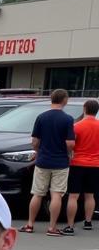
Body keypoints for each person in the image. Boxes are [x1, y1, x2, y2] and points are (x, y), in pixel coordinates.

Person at [21, 89, 75, 237]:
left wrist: (39, 151)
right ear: (64, 100)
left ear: (52, 99)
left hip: (43, 160)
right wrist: (69, 152)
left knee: (37, 193)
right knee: (56, 194)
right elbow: (70, 143)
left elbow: (34, 141)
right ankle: (52, 227)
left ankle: (30, 224)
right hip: (60, 162)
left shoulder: (41, 117)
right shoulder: (68, 119)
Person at [65, 97, 99, 232]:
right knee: (90, 195)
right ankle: (88, 221)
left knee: (73, 196)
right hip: (96, 164)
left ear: (84, 109)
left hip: (78, 163)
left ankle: (70, 225)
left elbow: (71, 145)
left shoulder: (77, 126)